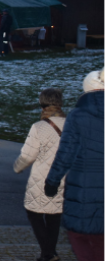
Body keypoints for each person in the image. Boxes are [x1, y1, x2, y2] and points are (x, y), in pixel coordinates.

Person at [45, 69, 104, 261]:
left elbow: (66, 153)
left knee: (79, 235)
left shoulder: (77, 115)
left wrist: (52, 181)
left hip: (82, 187)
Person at [14, 88, 66, 261]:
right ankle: (49, 253)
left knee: (34, 213)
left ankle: (48, 253)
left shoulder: (38, 127)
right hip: (63, 178)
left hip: (42, 178)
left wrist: (18, 166)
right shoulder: (71, 124)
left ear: (42, 103)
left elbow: (28, 155)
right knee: (54, 216)